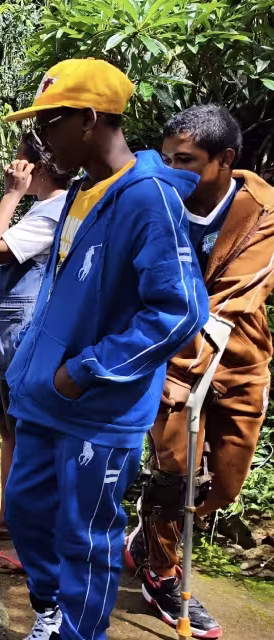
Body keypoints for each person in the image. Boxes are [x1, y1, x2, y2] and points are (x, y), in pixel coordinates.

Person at [2, 58, 208, 640]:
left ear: (89, 120)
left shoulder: (149, 198)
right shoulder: (79, 191)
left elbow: (181, 311)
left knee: (85, 533)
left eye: (49, 123)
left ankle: (78, 631)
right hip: (45, 394)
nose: (40, 139)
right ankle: (53, 609)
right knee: (26, 509)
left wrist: (89, 369)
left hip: (99, 404)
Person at [124, 105, 274, 639]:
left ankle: (146, 539)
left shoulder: (262, 210)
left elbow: (236, 295)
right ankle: (162, 572)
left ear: (225, 160)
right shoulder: (156, 196)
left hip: (237, 354)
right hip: (171, 355)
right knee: (175, 472)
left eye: (185, 161)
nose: (173, 169)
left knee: (224, 483)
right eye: (166, 159)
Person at [0, 133, 76, 576]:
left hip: (22, 343)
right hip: (3, 341)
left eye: (19, 160)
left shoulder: (54, 212)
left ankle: (34, 543)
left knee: (30, 441)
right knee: (8, 432)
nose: (11, 166)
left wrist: (10, 195)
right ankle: (10, 517)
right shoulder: (39, 207)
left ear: (39, 166)